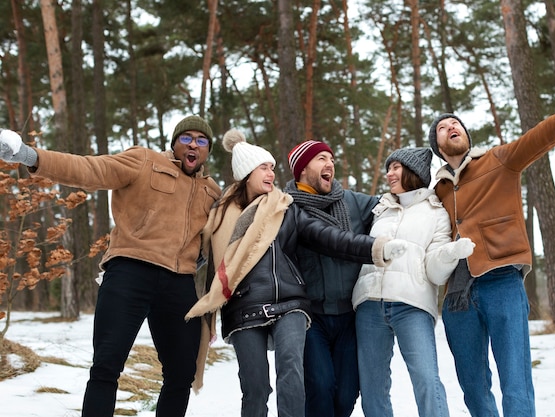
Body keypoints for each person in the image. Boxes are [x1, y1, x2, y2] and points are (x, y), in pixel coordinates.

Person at [427, 66, 555, 417]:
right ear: (438, 147)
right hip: (456, 294)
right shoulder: (436, 192)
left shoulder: (498, 160)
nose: (451, 127)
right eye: (442, 127)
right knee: (472, 385)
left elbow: (541, 136)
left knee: (515, 381)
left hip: (500, 280)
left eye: (456, 123)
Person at [0, 115, 222, 417]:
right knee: (107, 365)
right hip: (130, 272)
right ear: (174, 143)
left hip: (180, 283)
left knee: (182, 373)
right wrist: (29, 155)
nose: (193, 144)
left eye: (202, 140)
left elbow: (229, 229)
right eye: (186, 138)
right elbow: (90, 169)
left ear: (208, 150)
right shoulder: (144, 161)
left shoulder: (212, 191)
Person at [184, 129, 407, 417]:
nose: (270, 174)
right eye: (263, 167)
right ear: (247, 173)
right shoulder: (220, 215)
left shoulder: (284, 208)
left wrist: (377, 248)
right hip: (244, 306)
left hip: (291, 302)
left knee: (295, 375)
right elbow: (207, 261)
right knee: (256, 388)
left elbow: (329, 237)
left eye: (272, 168)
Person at [352, 146, 475, 417]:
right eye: (388, 168)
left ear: (413, 172)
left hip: (412, 305)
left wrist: (450, 254)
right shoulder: (379, 209)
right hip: (370, 304)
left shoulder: (435, 213)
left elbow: (435, 272)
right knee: (372, 387)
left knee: (426, 381)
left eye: (395, 168)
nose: (389, 174)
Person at [284, 140, 379, 417]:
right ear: (302, 169)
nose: (330, 164)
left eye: (332, 159)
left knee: (347, 394)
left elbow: (390, 207)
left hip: (349, 315)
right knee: (320, 387)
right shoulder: (288, 208)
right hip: (311, 317)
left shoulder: (351, 202)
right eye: (321, 159)